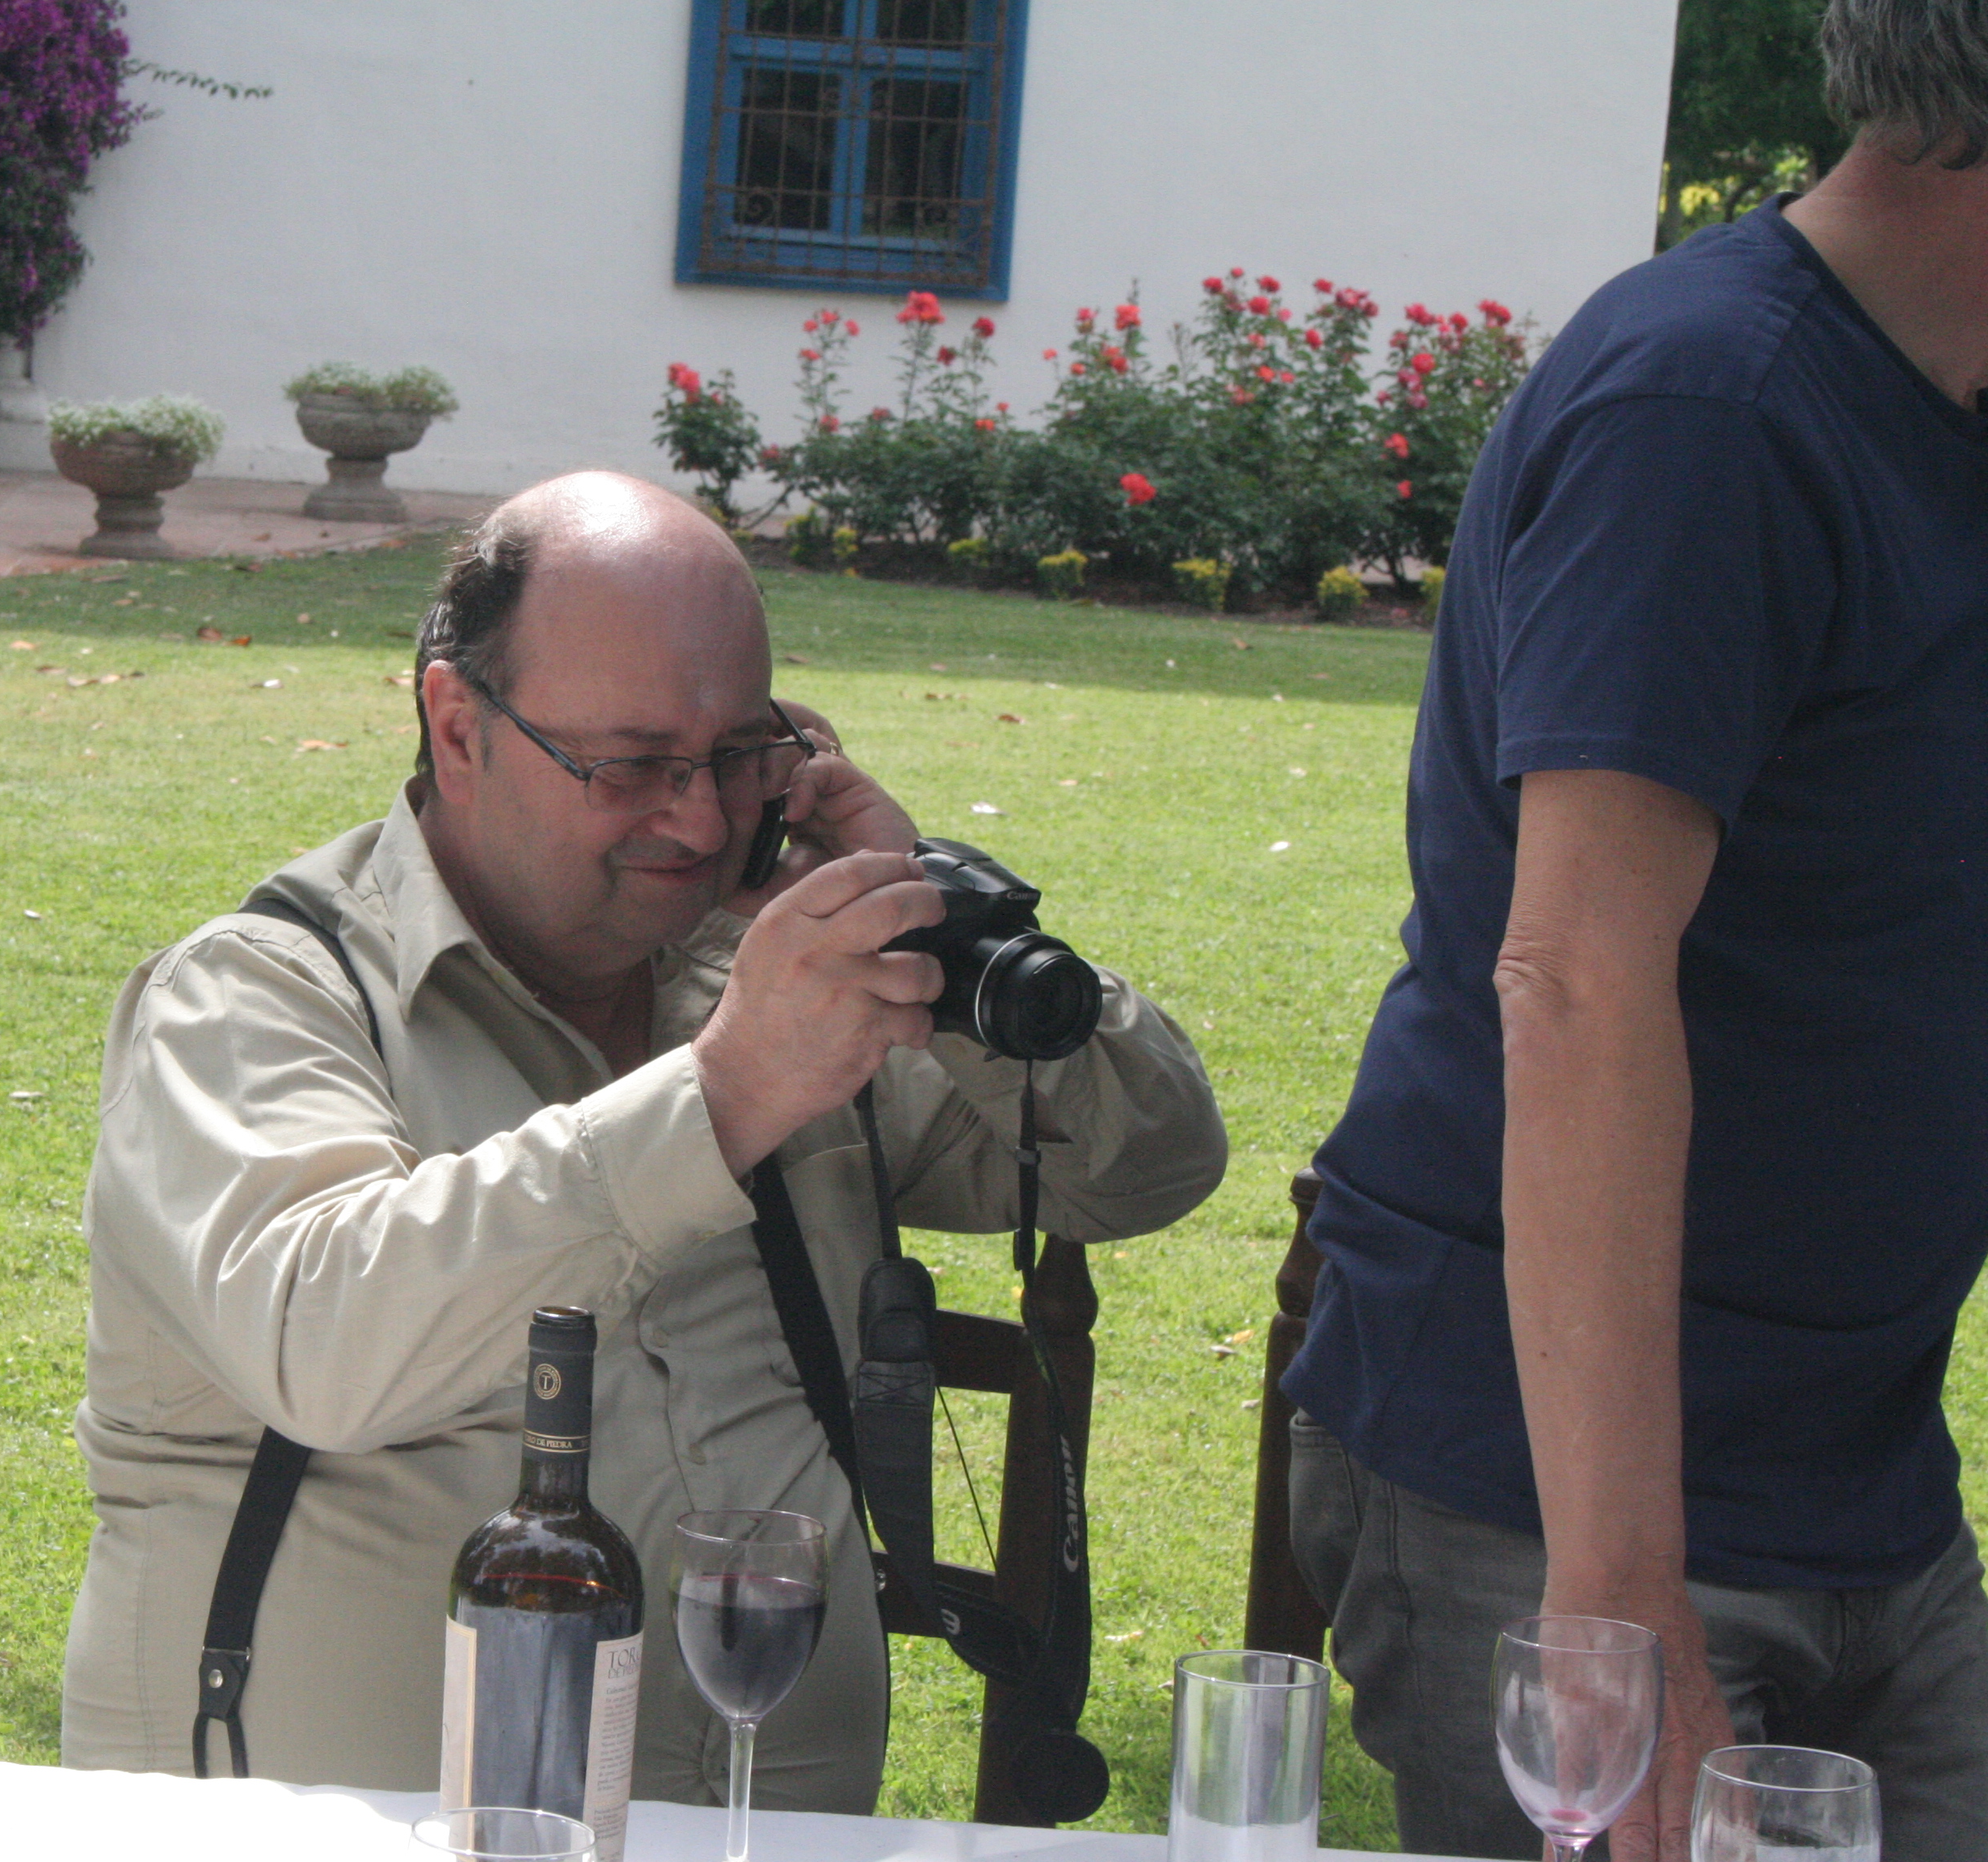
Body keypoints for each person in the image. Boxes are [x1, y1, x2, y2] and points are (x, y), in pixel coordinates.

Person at [61, 470, 1225, 1806]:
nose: (695, 819)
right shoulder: (254, 994)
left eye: (738, 757)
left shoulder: (775, 985)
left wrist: (940, 942)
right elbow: (329, 1342)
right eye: (630, 767)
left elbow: (1146, 1169)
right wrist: (725, 1093)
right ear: (457, 725)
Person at [1283, 5, 1988, 1857]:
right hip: (1572, 1500)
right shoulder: (1714, 408)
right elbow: (1578, 984)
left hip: (1865, 1478)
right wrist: (1614, 1605)